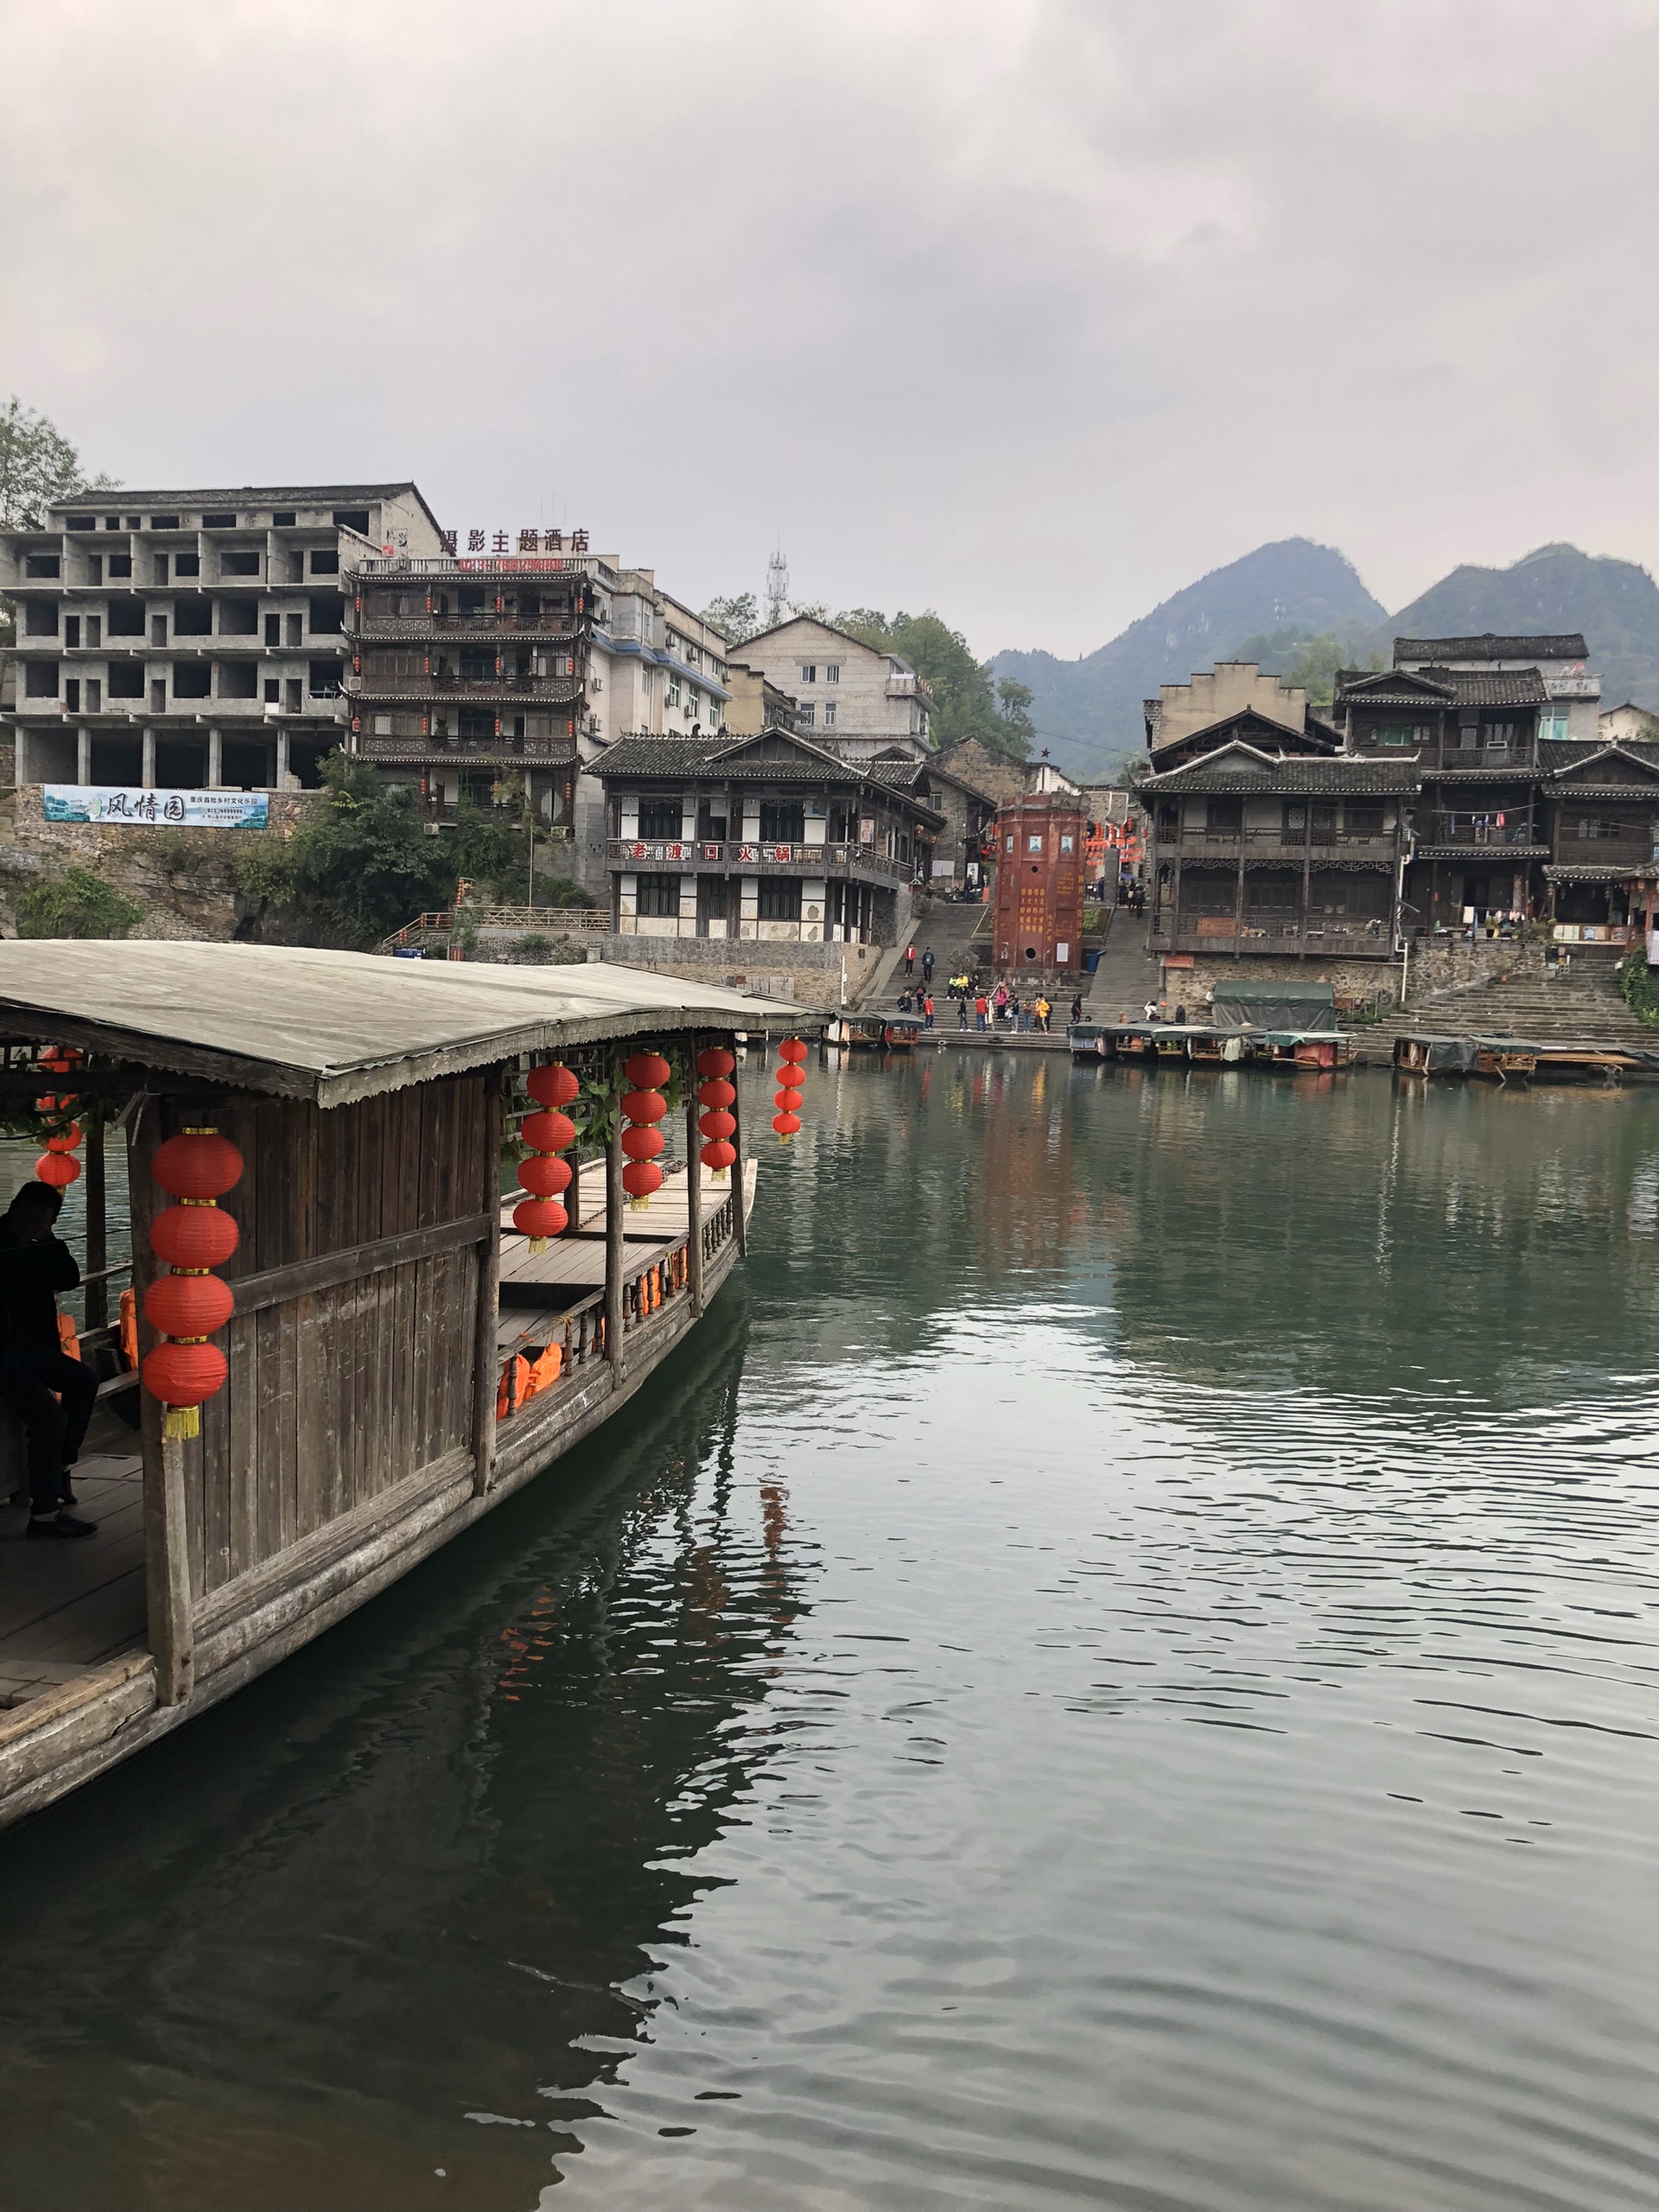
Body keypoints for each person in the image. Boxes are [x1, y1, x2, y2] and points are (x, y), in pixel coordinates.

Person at [0, 1182, 99, 1539]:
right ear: (15, 1208)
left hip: (33, 1348)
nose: (31, 1225)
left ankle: (62, 1465)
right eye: (25, 1216)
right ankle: (44, 1514)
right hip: (4, 1355)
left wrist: (48, 1242)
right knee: (49, 1418)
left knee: (84, 1380)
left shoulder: (46, 1244)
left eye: (41, 1220)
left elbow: (68, 1279)